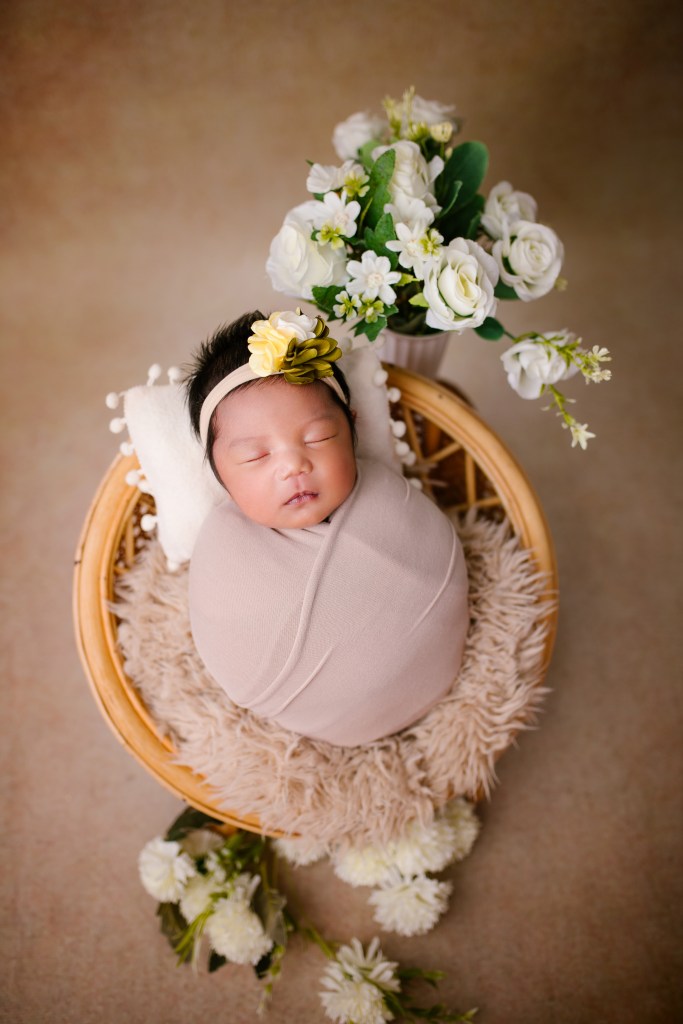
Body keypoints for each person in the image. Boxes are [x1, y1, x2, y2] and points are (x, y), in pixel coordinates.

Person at [186, 308, 469, 747]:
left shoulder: (389, 497)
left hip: (439, 671)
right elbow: (227, 642)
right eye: (255, 457)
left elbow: (441, 578)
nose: (293, 466)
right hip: (318, 718)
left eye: (317, 438)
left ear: (352, 428)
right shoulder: (221, 550)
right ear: (219, 474)